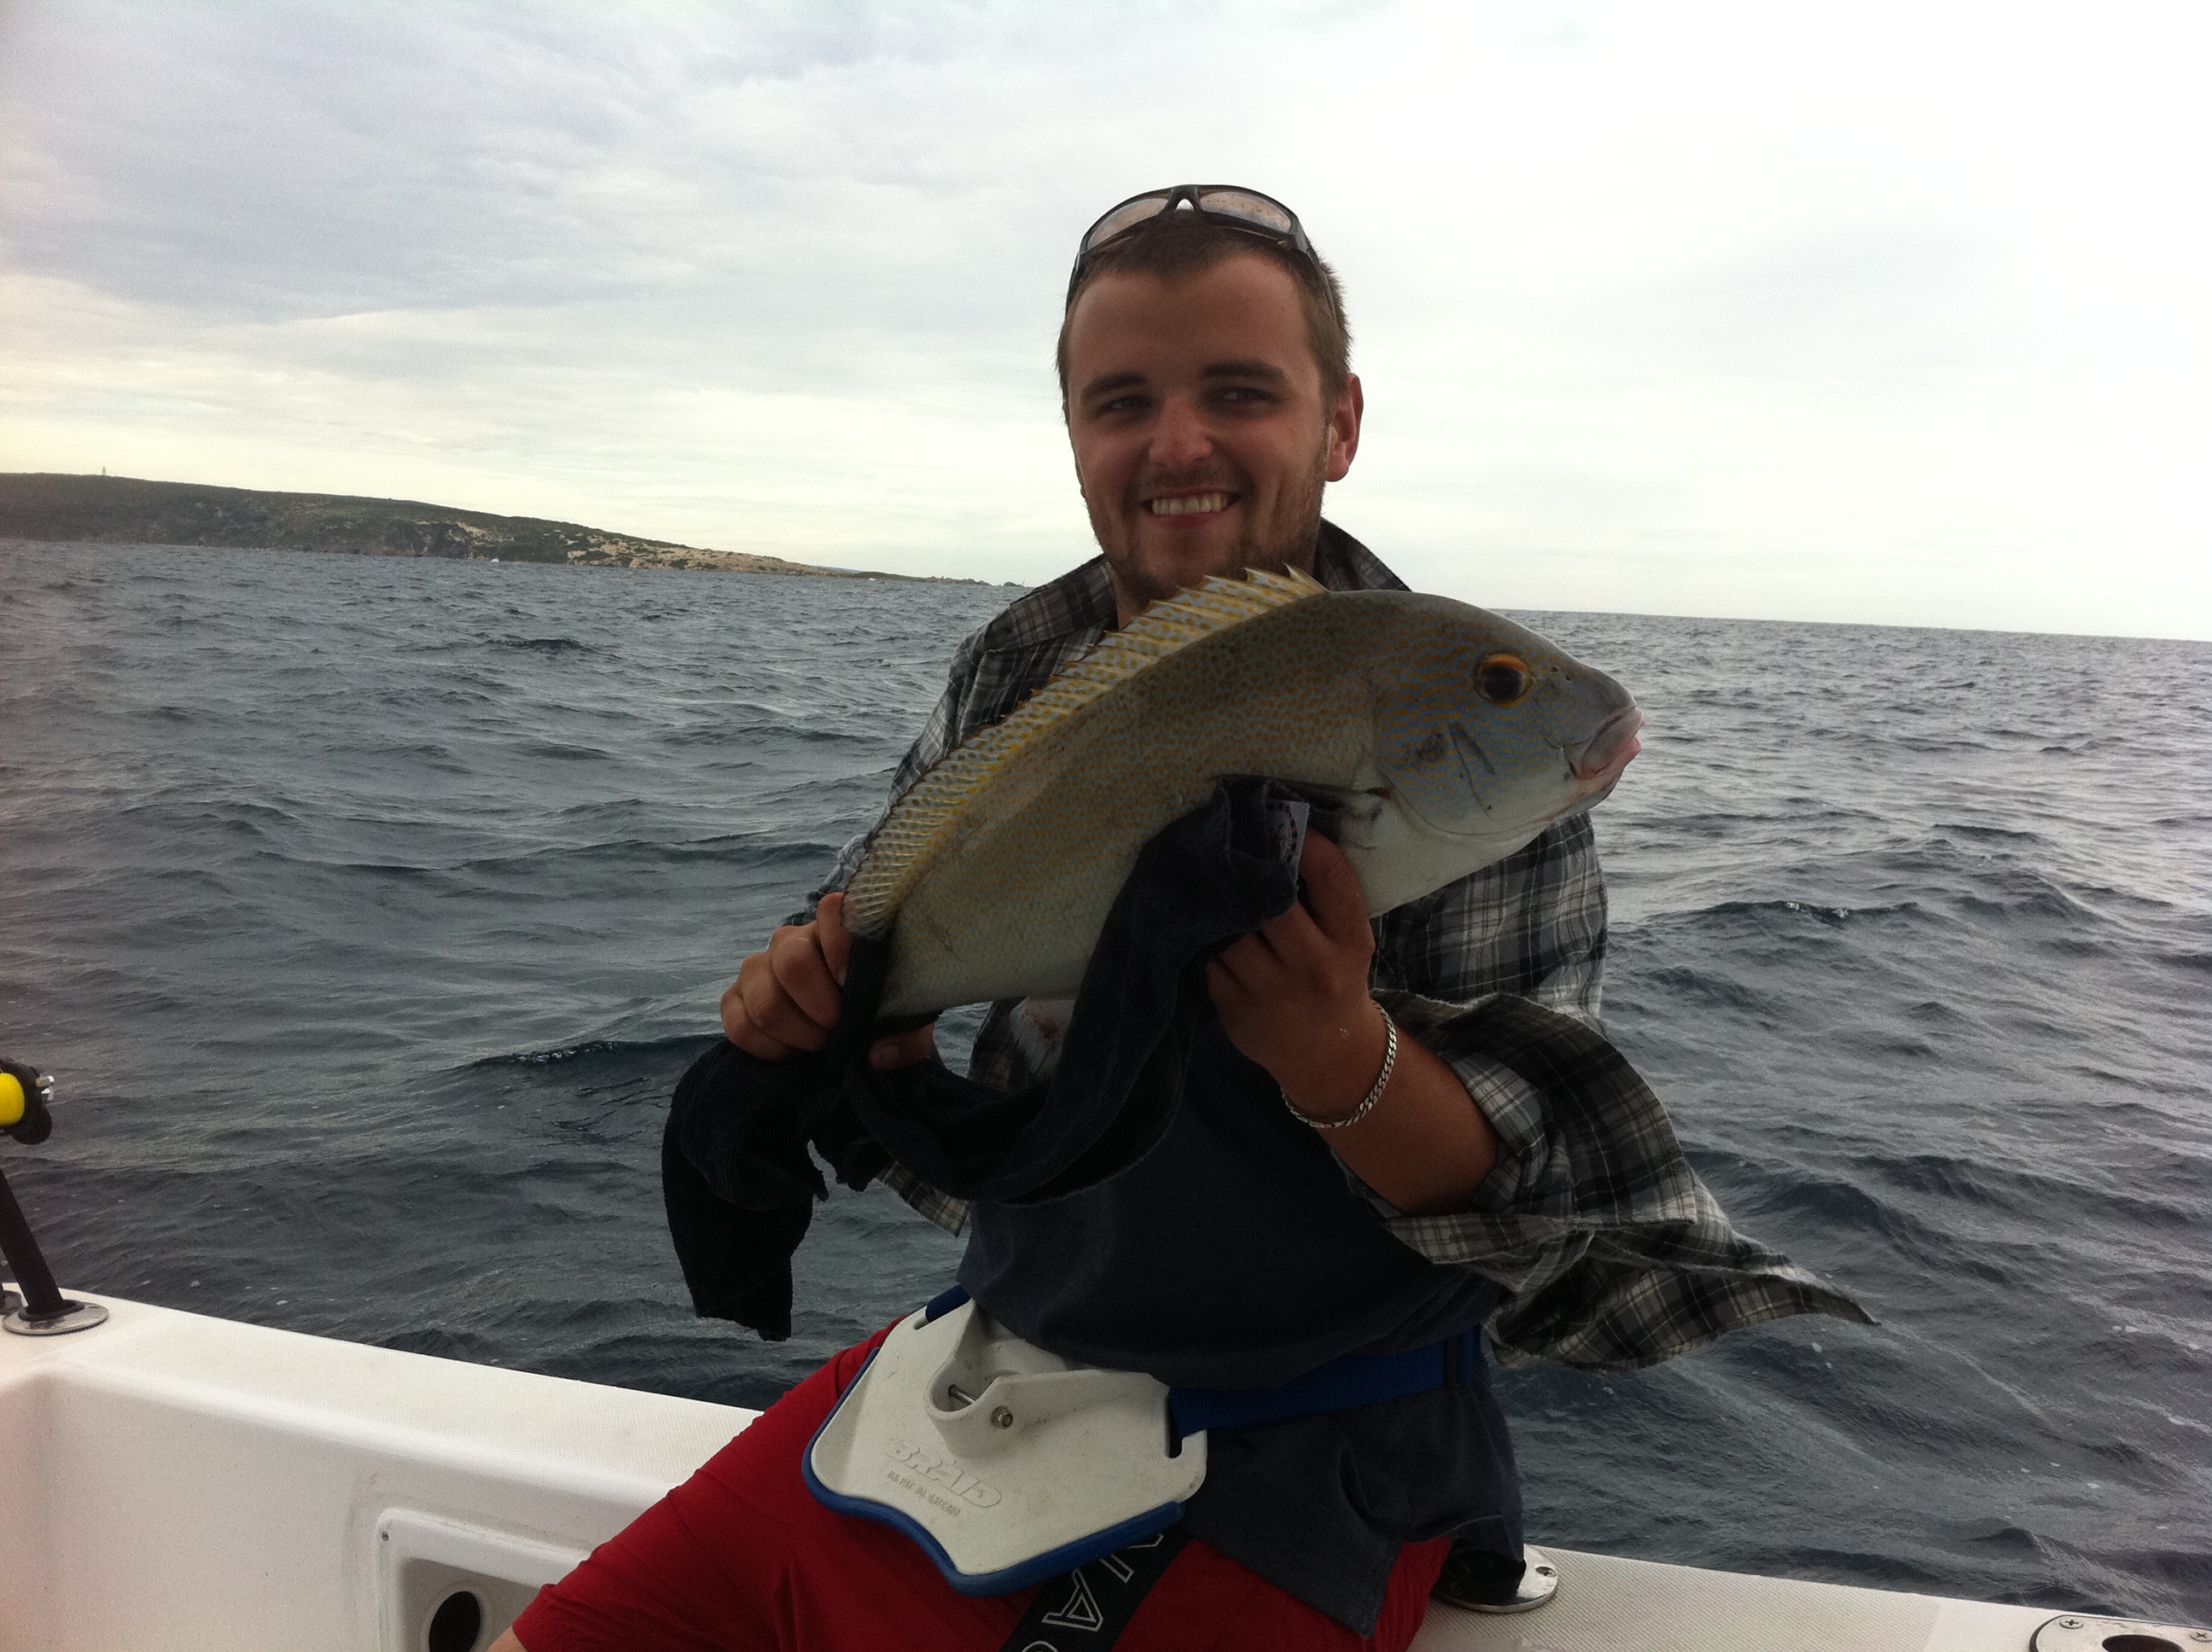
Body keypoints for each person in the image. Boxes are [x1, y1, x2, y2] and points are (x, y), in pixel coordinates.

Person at [498, 185, 1860, 1652]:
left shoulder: (1455, 729)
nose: (1179, 443)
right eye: (1123, 402)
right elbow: (884, 909)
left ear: (1339, 424)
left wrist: (1334, 1050)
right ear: (1075, 435)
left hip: (1317, 1443)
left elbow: (1533, 1205)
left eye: (1240, 393)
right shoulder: (1021, 659)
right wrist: (808, 998)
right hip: (1000, 1364)